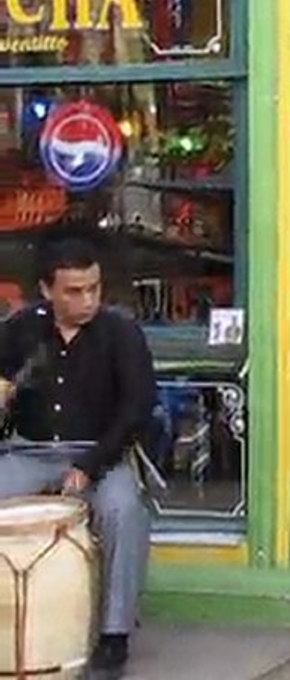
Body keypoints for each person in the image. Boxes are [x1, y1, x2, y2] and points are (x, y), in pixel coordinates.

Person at [0, 237, 154, 677]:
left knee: (123, 511)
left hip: (99, 452)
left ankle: (114, 636)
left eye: (94, 288)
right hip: (29, 450)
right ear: (47, 290)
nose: (87, 299)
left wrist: (88, 468)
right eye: (74, 291)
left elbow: (135, 409)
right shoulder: (20, 330)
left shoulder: (121, 332)